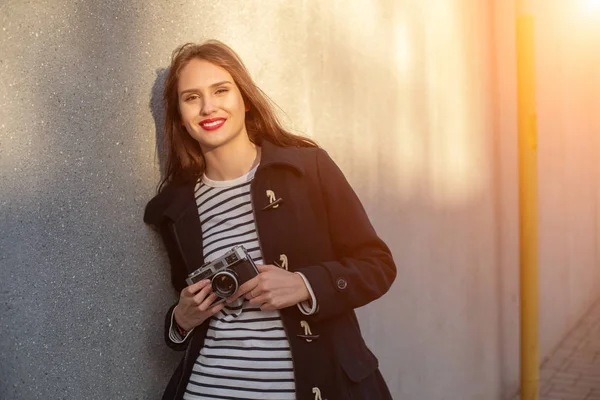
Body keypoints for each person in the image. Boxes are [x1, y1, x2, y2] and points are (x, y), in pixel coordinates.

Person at [144, 40, 396, 400]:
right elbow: (190, 305)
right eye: (191, 97)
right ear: (180, 117)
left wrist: (304, 284)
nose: (208, 106)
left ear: (244, 99)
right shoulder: (176, 208)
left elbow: (378, 266)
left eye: (220, 90)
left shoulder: (308, 169)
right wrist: (181, 319)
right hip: (208, 389)